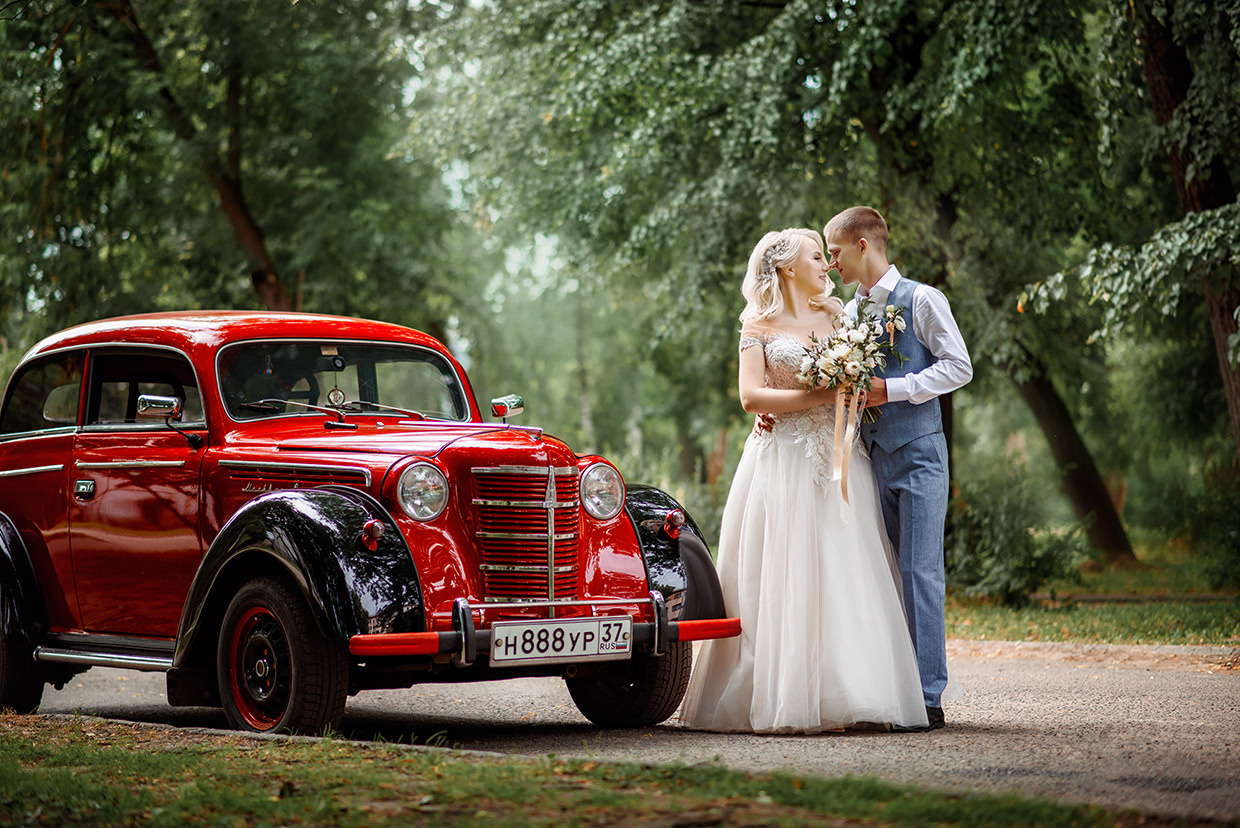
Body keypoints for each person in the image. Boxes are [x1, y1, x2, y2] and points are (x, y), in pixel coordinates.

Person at [679, 228, 929, 733]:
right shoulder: (757, 325)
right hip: (783, 459)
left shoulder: (839, 317)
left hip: (840, 459)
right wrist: (819, 396)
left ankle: (856, 694)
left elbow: (855, 382)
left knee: (846, 571)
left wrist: (847, 390)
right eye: (817, 256)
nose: (826, 265)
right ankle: (788, 695)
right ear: (788, 268)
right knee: (784, 571)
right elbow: (751, 397)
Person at [823, 206, 973, 732]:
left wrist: (894, 389)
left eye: (835, 252)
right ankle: (891, 692)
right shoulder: (847, 313)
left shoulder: (923, 299)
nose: (832, 263)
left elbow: (959, 367)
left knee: (919, 572)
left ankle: (927, 698)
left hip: (920, 455)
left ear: (863, 245)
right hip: (868, 458)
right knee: (881, 575)